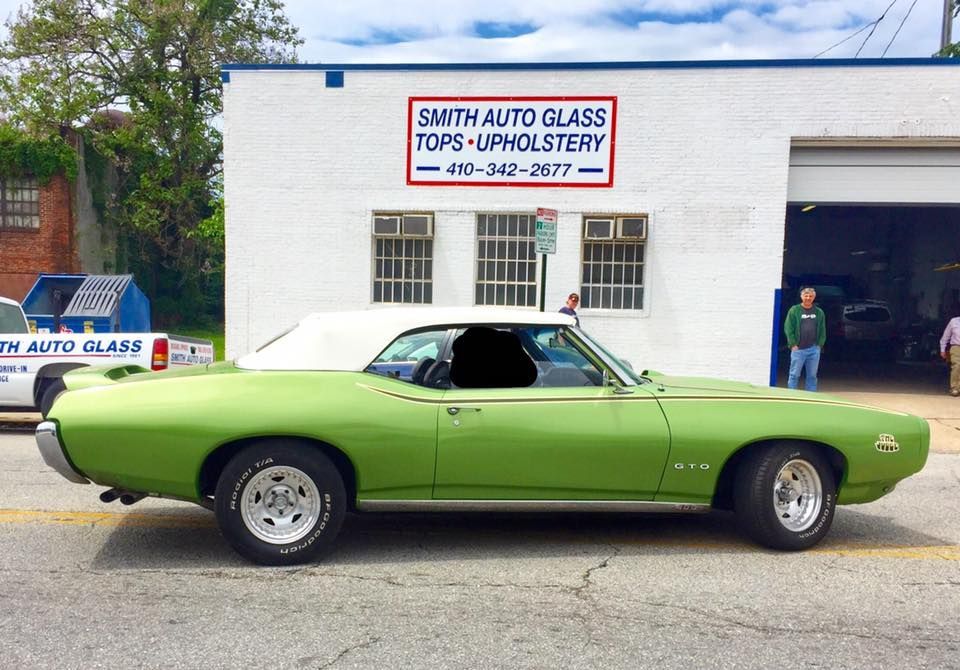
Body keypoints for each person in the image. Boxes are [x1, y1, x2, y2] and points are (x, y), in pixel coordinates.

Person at [784, 287, 826, 392]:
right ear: (801, 297)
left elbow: (822, 329)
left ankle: (810, 397)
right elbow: (788, 328)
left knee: (812, 376)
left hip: (813, 349)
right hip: (798, 349)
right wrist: (793, 344)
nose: (808, 298)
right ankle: (791, 396)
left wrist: (819, 344)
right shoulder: (794, 310)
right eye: (806, 296)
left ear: (814, 297)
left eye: (810, 296)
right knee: (794, 374)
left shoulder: (819, 312)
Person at [939, 312, 960, 397]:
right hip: (956, 347)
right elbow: (945, 337)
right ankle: (954, 388)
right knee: (957, 366)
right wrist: (942, 350)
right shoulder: (954, 321)